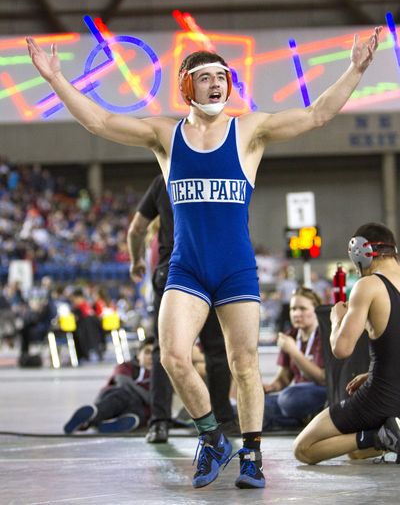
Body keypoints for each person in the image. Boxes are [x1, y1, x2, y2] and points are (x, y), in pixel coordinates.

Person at [27, 26, 381, 489]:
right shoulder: (165, 136)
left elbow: (316, 115)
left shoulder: (250, 130)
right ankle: (212, 436)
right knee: (172, 356)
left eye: (222, 76)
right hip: (187, 268)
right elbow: (100, 122)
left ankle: (251, 454)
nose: (216, 83)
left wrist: (355, 68)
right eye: (206, 76)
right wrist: (56, 80)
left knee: (245, 363)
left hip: (235, 269)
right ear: (186, 86)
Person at [127, 174, 236, 444]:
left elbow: (136, 230)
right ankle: (223, 418)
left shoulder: (163, 179)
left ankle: (159, 422)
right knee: (217, 350)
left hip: (173, 272)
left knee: (165, 350)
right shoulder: (218, 174)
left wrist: (136, 261)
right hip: (213, 269)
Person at [293, 222, 400, 464]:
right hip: (392, 394)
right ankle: (389, 435)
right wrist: (371, 372)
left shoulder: (368, 285)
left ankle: (383, 437)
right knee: (354, 450)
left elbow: (341, 350)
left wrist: (335, 320)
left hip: (381, 398)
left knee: (303, 448)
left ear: (359, 253)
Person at [263, 287, 326, 431]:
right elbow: (284, 379)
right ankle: (305, 419)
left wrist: (294, 352)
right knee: (257, 404)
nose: (297, 314)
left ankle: (284, 419)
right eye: (293, 309)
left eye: (303, 309)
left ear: (315, 310)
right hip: (296, 395)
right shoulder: (290, 335)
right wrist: (270, 387)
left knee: (288, 399)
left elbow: (323, 379)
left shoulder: (324, 334)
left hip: (319, 392)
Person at [64, 337, 153, 434]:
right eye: (147, 352)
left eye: (155, 354)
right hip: (114, 398)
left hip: (137, 407)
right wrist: (148, 397)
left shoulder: (161, 376)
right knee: (121, 397)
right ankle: (93, 414)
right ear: (138, 354)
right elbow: (123, 382)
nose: (151, 357)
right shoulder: (126, 366)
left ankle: (111, 424)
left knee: (141, 414)